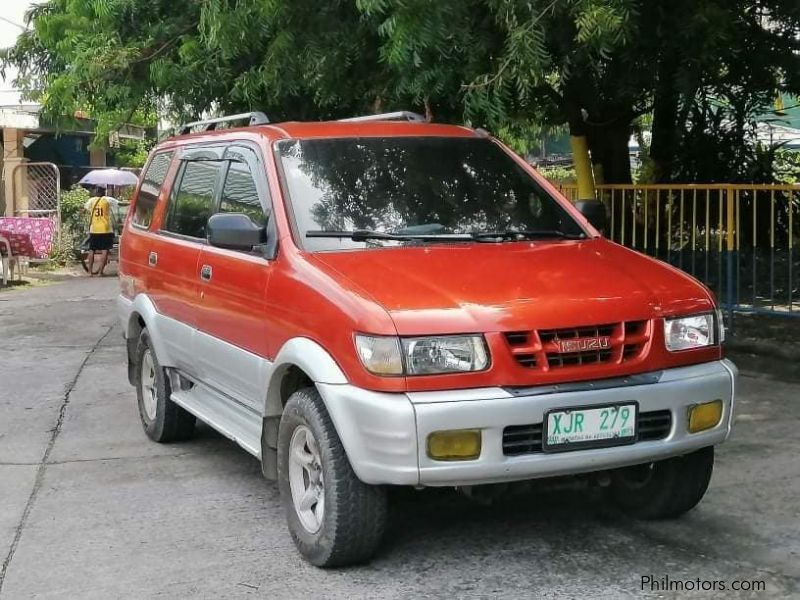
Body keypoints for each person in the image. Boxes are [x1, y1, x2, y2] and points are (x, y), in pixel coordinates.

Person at [84, 186, 118, 276]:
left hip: (94, 229)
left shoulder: (91, 201)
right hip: (106, 229)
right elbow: (117, 204)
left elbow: (86, 209)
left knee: (92, 250)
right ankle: (100, 272)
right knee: (105, 250)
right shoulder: (108, 200)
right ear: (104, 192)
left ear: (96, 192)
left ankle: (89, 272)